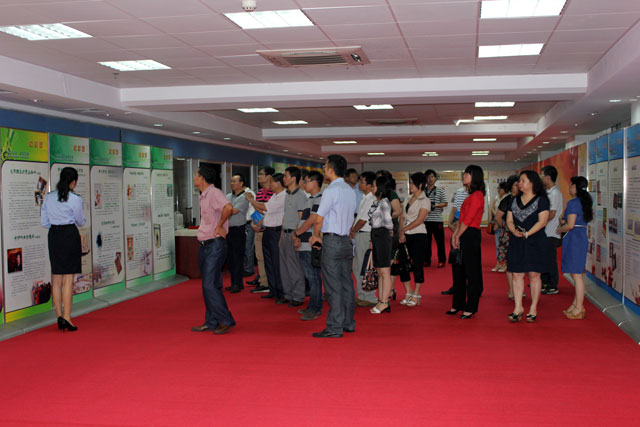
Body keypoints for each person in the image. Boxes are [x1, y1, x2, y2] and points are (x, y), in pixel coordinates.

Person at [309, 155, 357, 338]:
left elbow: (319, 218)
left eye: (325, 166)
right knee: (346, 284)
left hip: (332, 242)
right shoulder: (350, 189)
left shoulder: (331, 190)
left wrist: (315, 236)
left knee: (333, 286)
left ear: (330, 169)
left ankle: (334, 327)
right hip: (346, 241)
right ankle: (348, 322)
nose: (323, 169)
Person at [191, 165, 235, 335]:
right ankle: (211, 321)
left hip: (215, 244)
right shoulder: (203, 195)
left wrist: (220, 225)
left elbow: (228, 207)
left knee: (209, 285)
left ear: (202, 178)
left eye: (196, 175)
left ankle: (226, 320)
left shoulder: (214, 193)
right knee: (210, 285)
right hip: (205, 245)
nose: (194, 178)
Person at [41, 167, 85, 332]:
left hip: (54, 235)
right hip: (69, 235)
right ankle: (67, 317)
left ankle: (59, 316)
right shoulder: (75, 199)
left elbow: (44, 222)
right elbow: (80, 221)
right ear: (73, 182)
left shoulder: (49, 197)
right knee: (68, 279)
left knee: (56, 277)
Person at [506, 170, 550, 323]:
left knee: (534, 275)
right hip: (517, 241)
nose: (520, 183)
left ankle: (533, 308)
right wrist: (514, 231)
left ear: (532, 182)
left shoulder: (542, 200)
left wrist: (527, 233)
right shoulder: (514, 200)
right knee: (517, 275)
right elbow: (509, 220)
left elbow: (542, 221)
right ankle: (518, 307)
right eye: (519, 181)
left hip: (535, 242)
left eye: (523, 180)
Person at [446, 165, 485, 319]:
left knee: (471, 272)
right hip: (463, 232)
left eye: (467, 174)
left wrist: (457, 235)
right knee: (458, 270)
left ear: (474, 177)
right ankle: (458, 304)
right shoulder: (470, 195)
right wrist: (455, 234)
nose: (464, 176)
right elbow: (462, 219)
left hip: (470, 235)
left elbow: (468, 220)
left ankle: (471, 306)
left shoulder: (477, 195)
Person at [247, 173, 286, 303]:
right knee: (268, 262)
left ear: (279, 183)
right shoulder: (274, 196)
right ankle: (273, 290)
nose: (270, 184)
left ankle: (281, 292)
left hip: (276, 231)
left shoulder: (283, 196)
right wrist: (253, 203)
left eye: (272, 182)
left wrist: (252, 201)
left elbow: (265, 207)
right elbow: (264, 211)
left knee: (276, 263)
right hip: (268, 231)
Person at [557, 176, 593, 320]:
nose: (570, 187)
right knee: (576, 274)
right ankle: (576, 304)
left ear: (575, 187)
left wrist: (559, 229)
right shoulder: (584, 201)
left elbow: (570, 225)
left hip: (574, 239)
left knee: (577, 275)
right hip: (579, 237)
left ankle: (579, 307)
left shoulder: (573, 202)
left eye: (571, 185)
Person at [293, 170, 324, 320]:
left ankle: (315, 308)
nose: (304, 184)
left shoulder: (320, 198)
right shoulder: (310, 199)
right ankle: (313, 305)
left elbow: (313, 219)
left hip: (311, 244)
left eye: (306, 181)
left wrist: (297, 233)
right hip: (303, 243)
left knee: (314, 277)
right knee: (311, 277)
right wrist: (297, 236)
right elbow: (302, 220)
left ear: (315, 182)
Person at [399, 172, 430, 307]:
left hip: (419, 235)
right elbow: (402, 216)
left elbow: (420, 220)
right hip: (405, 235)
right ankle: (408, 292)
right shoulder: (408, 198)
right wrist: (401, 232)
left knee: (417, 265)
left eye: (412, 183)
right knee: (403, 265)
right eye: (410, 183)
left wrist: (404, 230)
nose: (410, 185)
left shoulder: (425, 200)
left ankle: (417, 293)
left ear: (420, 185)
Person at [280, 166, 307, 307]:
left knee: (294, 266)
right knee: (284, 266)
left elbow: (302, 218)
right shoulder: (287, 194)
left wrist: (297, 236)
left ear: (294, 178)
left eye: (286, 176)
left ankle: (298, 295)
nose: (283, 179)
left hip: (293, 234)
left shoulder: (300, 195)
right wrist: (281, 237)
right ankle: (288, 293)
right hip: (284, 233)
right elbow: (285, 216)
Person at [350, 171, 378, 308]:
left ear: (370, 185)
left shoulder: (372, 199)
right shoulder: (364, 198)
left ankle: (370, 296)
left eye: (362, 182)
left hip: (365, 234)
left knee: (365, 267)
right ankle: (362, 295)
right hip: (359, 235)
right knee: (357, 267)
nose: (359, 184)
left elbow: (363, 220)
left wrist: (353, 230)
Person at [368, 175, 395, 314]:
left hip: (383, 235)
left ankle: (384, 302)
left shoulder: (384, 202)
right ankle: (381, 300)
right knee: (379, 271)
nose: (372, 187)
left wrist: (387, 235)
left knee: (385, 271)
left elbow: (389, 223)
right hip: (377, 235)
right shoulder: (377, 202)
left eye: (374, 185)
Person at [247, 167, 274, 293]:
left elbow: (269, 210)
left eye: (261, 174)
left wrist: (261, 223)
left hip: (269, 228)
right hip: (258, 228)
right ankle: (263, 281)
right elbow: (257, 209)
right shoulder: (259, 192)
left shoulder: (274, 192)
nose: (259, 177)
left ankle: (269, 282)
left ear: (269, 176)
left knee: (269, 258)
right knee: (259, 257)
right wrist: (254, 223)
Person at [495, 175, 521, 298]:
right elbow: (498, 217)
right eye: (516, 185)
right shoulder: (507, 200)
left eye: (519, 184)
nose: (518, 187)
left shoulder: (524, 198)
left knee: (520, 264)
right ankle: (511, 290)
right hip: (509, 234)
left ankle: (518, 289)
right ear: (511, 187)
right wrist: (505, 228)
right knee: (510, 264)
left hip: (522, 234)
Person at [441, 183, 468, 295]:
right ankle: (457, 286)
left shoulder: (475, 193)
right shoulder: (460, 191)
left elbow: (469, 214)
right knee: (456, 259)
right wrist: (449, 223)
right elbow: (454, 209)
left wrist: (458, 226)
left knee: (467, 260)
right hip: (456, 222)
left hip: (466, 226)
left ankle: (470, 286)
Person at [541, 165, 563, 295]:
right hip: (546, 232)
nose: (541, 178)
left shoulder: (555, 193)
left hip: (551, 232)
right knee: (544, 258)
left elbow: (552, 214)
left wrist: (540, 223)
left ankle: (552, 284)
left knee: (550, 260)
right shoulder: (548, 192)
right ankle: (544, 282)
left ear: (548, 177)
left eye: (542, 176)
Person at [225, 174, 249, 293]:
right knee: (230, 258)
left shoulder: (244, 197)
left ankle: (237, 283)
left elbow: (233, 211)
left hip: (238, 230)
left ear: (241, 183)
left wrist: (225, 210)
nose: (232, 183)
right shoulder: (228, 196)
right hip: (228, 230)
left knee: (237, 257)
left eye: (235, 181)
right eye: (231, 181)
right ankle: (235, 283)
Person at [423, 169, 448, 268]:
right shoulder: (422, 191)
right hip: (425, 220)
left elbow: (445, 203)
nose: (430, 179)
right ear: (425, 179)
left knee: (440, 241)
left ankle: (442, 260)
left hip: (437, 220)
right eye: (428, 177)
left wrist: (436, 205)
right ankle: (426, 260)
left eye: (432, 177)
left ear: (435, 178)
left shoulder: (440, 190)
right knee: (426, 242)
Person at [491, 182, 508, 271]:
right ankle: (498, 263)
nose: (498, 190)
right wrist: (496, 216)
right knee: (498, 244)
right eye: (498, 188)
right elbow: (492, 207)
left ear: (505, 189)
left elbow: (505, 214)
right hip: (497, 221)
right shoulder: (497, 198)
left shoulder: (507, 198)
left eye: (500, 188)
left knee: (504, 245)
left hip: (504, 224)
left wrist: (498, 222)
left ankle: (505, 264)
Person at [243, 181, 257, 277]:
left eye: (234, 181)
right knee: (245, 247)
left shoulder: (249, 193)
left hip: (250, 223)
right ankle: (246, 267)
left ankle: (249, 269)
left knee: (248, 247)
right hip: (243, 224)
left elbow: (248, 209)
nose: (232, 184)